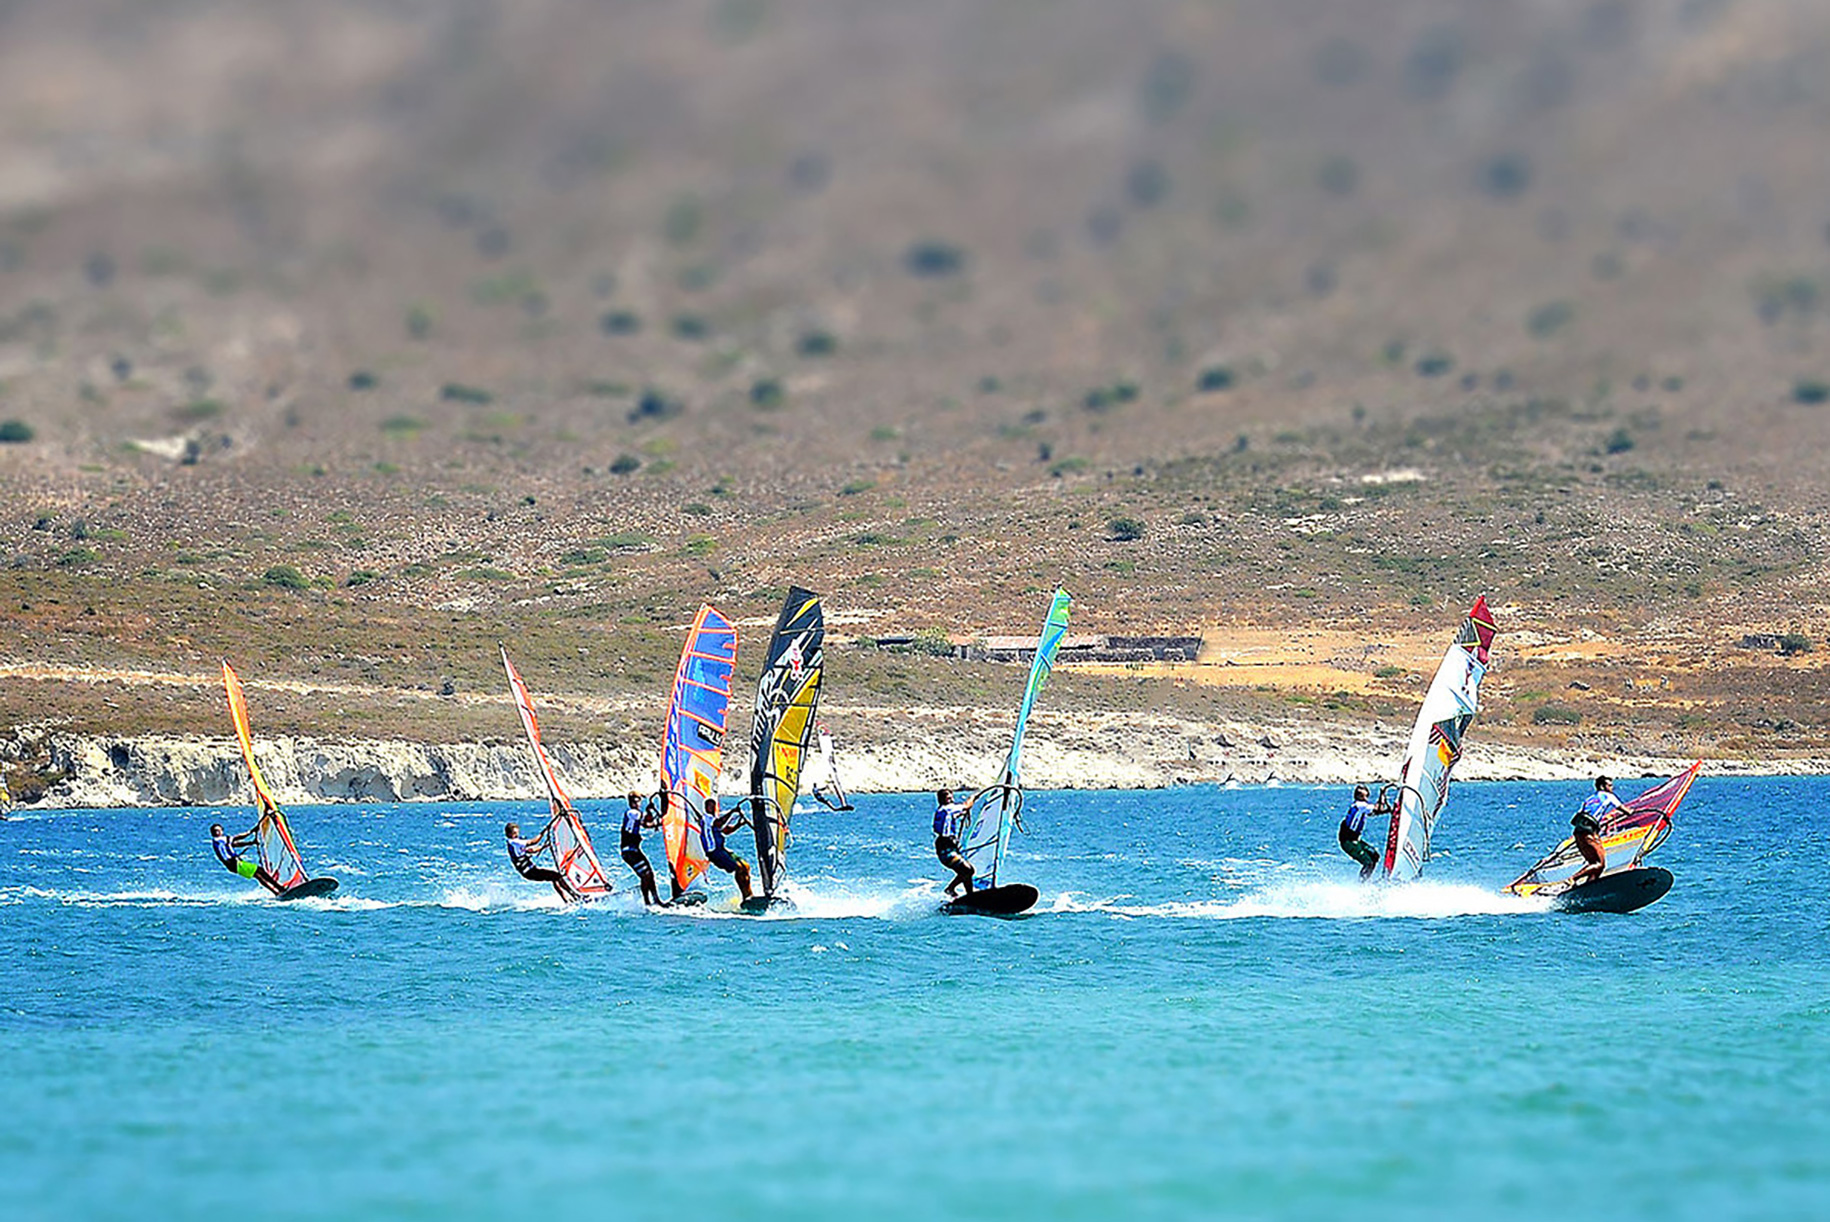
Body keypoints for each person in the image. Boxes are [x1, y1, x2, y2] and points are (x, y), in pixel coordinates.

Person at [1565, 776, 1624, 890]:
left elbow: (1583, 814)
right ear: (1602, 786)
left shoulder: (1589, 799)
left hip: (1579, 833)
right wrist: (1634, 812)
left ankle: (1586, 888)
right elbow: (1624, 809)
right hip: (1589, 833)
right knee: (1599, 864)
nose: (1612, 788)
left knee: (1595, 865)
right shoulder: (1608, 796)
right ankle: (1573, 879)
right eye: (1609, 785)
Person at [504, 821, 580, 901]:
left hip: (530, 871)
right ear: (509, 834)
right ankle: (574, 896)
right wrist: (544, 831)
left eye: (517, 833)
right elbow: (533, 842)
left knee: (554, 877)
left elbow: (531, 850)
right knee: (556, 876)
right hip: (530, 872)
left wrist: (544, 846)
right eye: (514, 833)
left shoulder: (513, 843)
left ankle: (567, 899)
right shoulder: (514, 842)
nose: (517, 835)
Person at [700, 796, 754, 900]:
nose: (711, 808)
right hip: (714, 853)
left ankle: (750, 894)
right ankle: (745, 896)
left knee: (745, 866)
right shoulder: (706, 818)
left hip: (722, 850)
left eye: (712, 806)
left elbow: (726, 830)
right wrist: (733, 811)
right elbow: (720, 822)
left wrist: (740, 824)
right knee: (738, 868)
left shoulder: (714, 819)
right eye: (709, 806)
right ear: (706, 808)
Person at [210, 822, 282, 895]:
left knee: (258, 874)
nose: (218, 832)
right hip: (233, 863)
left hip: (233, 864)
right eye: (216, 831)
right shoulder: (219, 839)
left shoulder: (220, 842)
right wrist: (251, 831)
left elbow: (235, 844)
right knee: (259, 871)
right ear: (213, 833)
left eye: (219, 830)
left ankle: (277, 890)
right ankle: (279, 889)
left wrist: (251, 843)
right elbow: (238, 837)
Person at [619, 792, 663, 906]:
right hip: (629, 852)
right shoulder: (632, 813)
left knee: (650, 874)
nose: (636, 803)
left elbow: (646, 824)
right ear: (629, 802)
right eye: (633, 801)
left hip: (634, 851)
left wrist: (656, 819)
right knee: (645, 875)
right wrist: (661, 820)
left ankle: (656, 900)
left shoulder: (637, 814)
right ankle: (647, 902)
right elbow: (645, 821)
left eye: (638, 801)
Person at [1339, 784, 1389, 881]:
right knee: (1368, 863)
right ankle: (1361, 885)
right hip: (1348, 842)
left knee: (1374, 856)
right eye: (1363, 796)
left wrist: (1390, 810)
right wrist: (1382, 794)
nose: (1365, 799)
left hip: (1355, 840)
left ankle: (1366, 879)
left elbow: (1377, 812)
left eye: (1366, 796)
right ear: (1357, 797)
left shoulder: (1361, 807)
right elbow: (1379, 808)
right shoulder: (1359, 805)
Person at [933, 788, 976, 897]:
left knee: (965, 872)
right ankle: (950, 889)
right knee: (968, 870)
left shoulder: (942, 810)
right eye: (948, 798)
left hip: (948, 847)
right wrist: (973, 797)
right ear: (942, 800)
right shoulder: (948, 809)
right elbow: (966, 805)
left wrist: (961, 814)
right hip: (946, 848)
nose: (951, 800)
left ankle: (970, 895)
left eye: (951, 798)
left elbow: (954, 815)